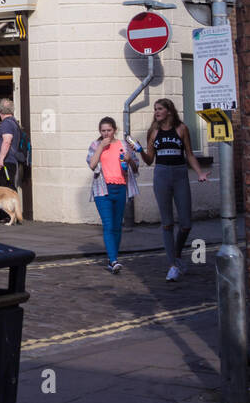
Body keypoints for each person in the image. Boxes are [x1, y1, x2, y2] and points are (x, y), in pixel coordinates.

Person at [139, 98, 209, 281]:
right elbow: (149, 160)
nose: (156, 112)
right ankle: (172, 266)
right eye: (155, 109)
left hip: (180, 175)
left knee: (186, 224)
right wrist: (139, 151)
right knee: (167, 223)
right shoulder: (153, 132)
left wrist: (200, 172)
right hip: (161, 176)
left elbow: (190, 155)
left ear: (169, 110)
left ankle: (176, 256)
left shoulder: (182, 129)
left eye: (159, 109)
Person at [87, 116, 139, 273]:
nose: (106, 134)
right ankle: (113, 260)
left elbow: (136, 168)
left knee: (117, 226)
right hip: (103, 190)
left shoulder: (123, 145)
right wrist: (101, 147)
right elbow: (92, 164)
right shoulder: (96, 144)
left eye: (109, 130)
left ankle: (113, 258)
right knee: (108, 225)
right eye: (103, 131)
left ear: (114, 130)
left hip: (120, 188)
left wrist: (130, 160)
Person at [0, 98, 26, 188]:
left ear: (0, 111)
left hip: (6, 162)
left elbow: (7, 141)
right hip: (7, 161)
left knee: (7, 189)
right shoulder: (12, 122)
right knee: (5, 189)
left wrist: (1, 159)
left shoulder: (7, 123)